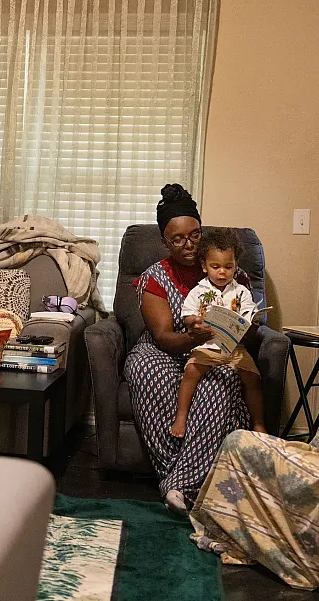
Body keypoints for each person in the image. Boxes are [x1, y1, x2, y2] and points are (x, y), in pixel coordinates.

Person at [124, 183, 256, 515]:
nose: (188, 245)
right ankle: (191, 482)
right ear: (164, 241)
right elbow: (164, 336)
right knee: (145, 369)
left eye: (194, 235)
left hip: (215, 349)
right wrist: (195, 336)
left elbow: (249, 320)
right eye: (177, 239)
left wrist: (241, 328)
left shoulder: (227, 269)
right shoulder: (156, 276)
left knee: (218, 385)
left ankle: (176, 487)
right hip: (166, 350)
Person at [171, 227, 267, 438]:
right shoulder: (199, 291)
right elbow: (187, 316)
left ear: (236, 267)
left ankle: (258, 423)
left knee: (253, 378)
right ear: (204, 266)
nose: (222, 272)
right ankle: (181, 416)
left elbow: (249, 316)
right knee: (191, 372)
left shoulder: (241, 291)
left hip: (235, 348)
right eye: (215, 266)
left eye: (228, 266)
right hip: (207, 347)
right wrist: (194, 321)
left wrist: (251, 323)